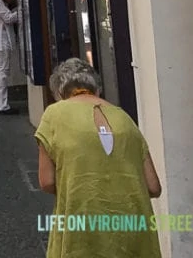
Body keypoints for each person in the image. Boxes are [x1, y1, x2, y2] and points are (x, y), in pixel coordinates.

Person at [36, 58, 162, 258]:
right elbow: (154, 187)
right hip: (133, 229)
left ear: (60, 92)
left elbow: (47, 181)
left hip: (82, 227)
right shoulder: (124, 118)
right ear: (97, 88)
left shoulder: (54, 114)